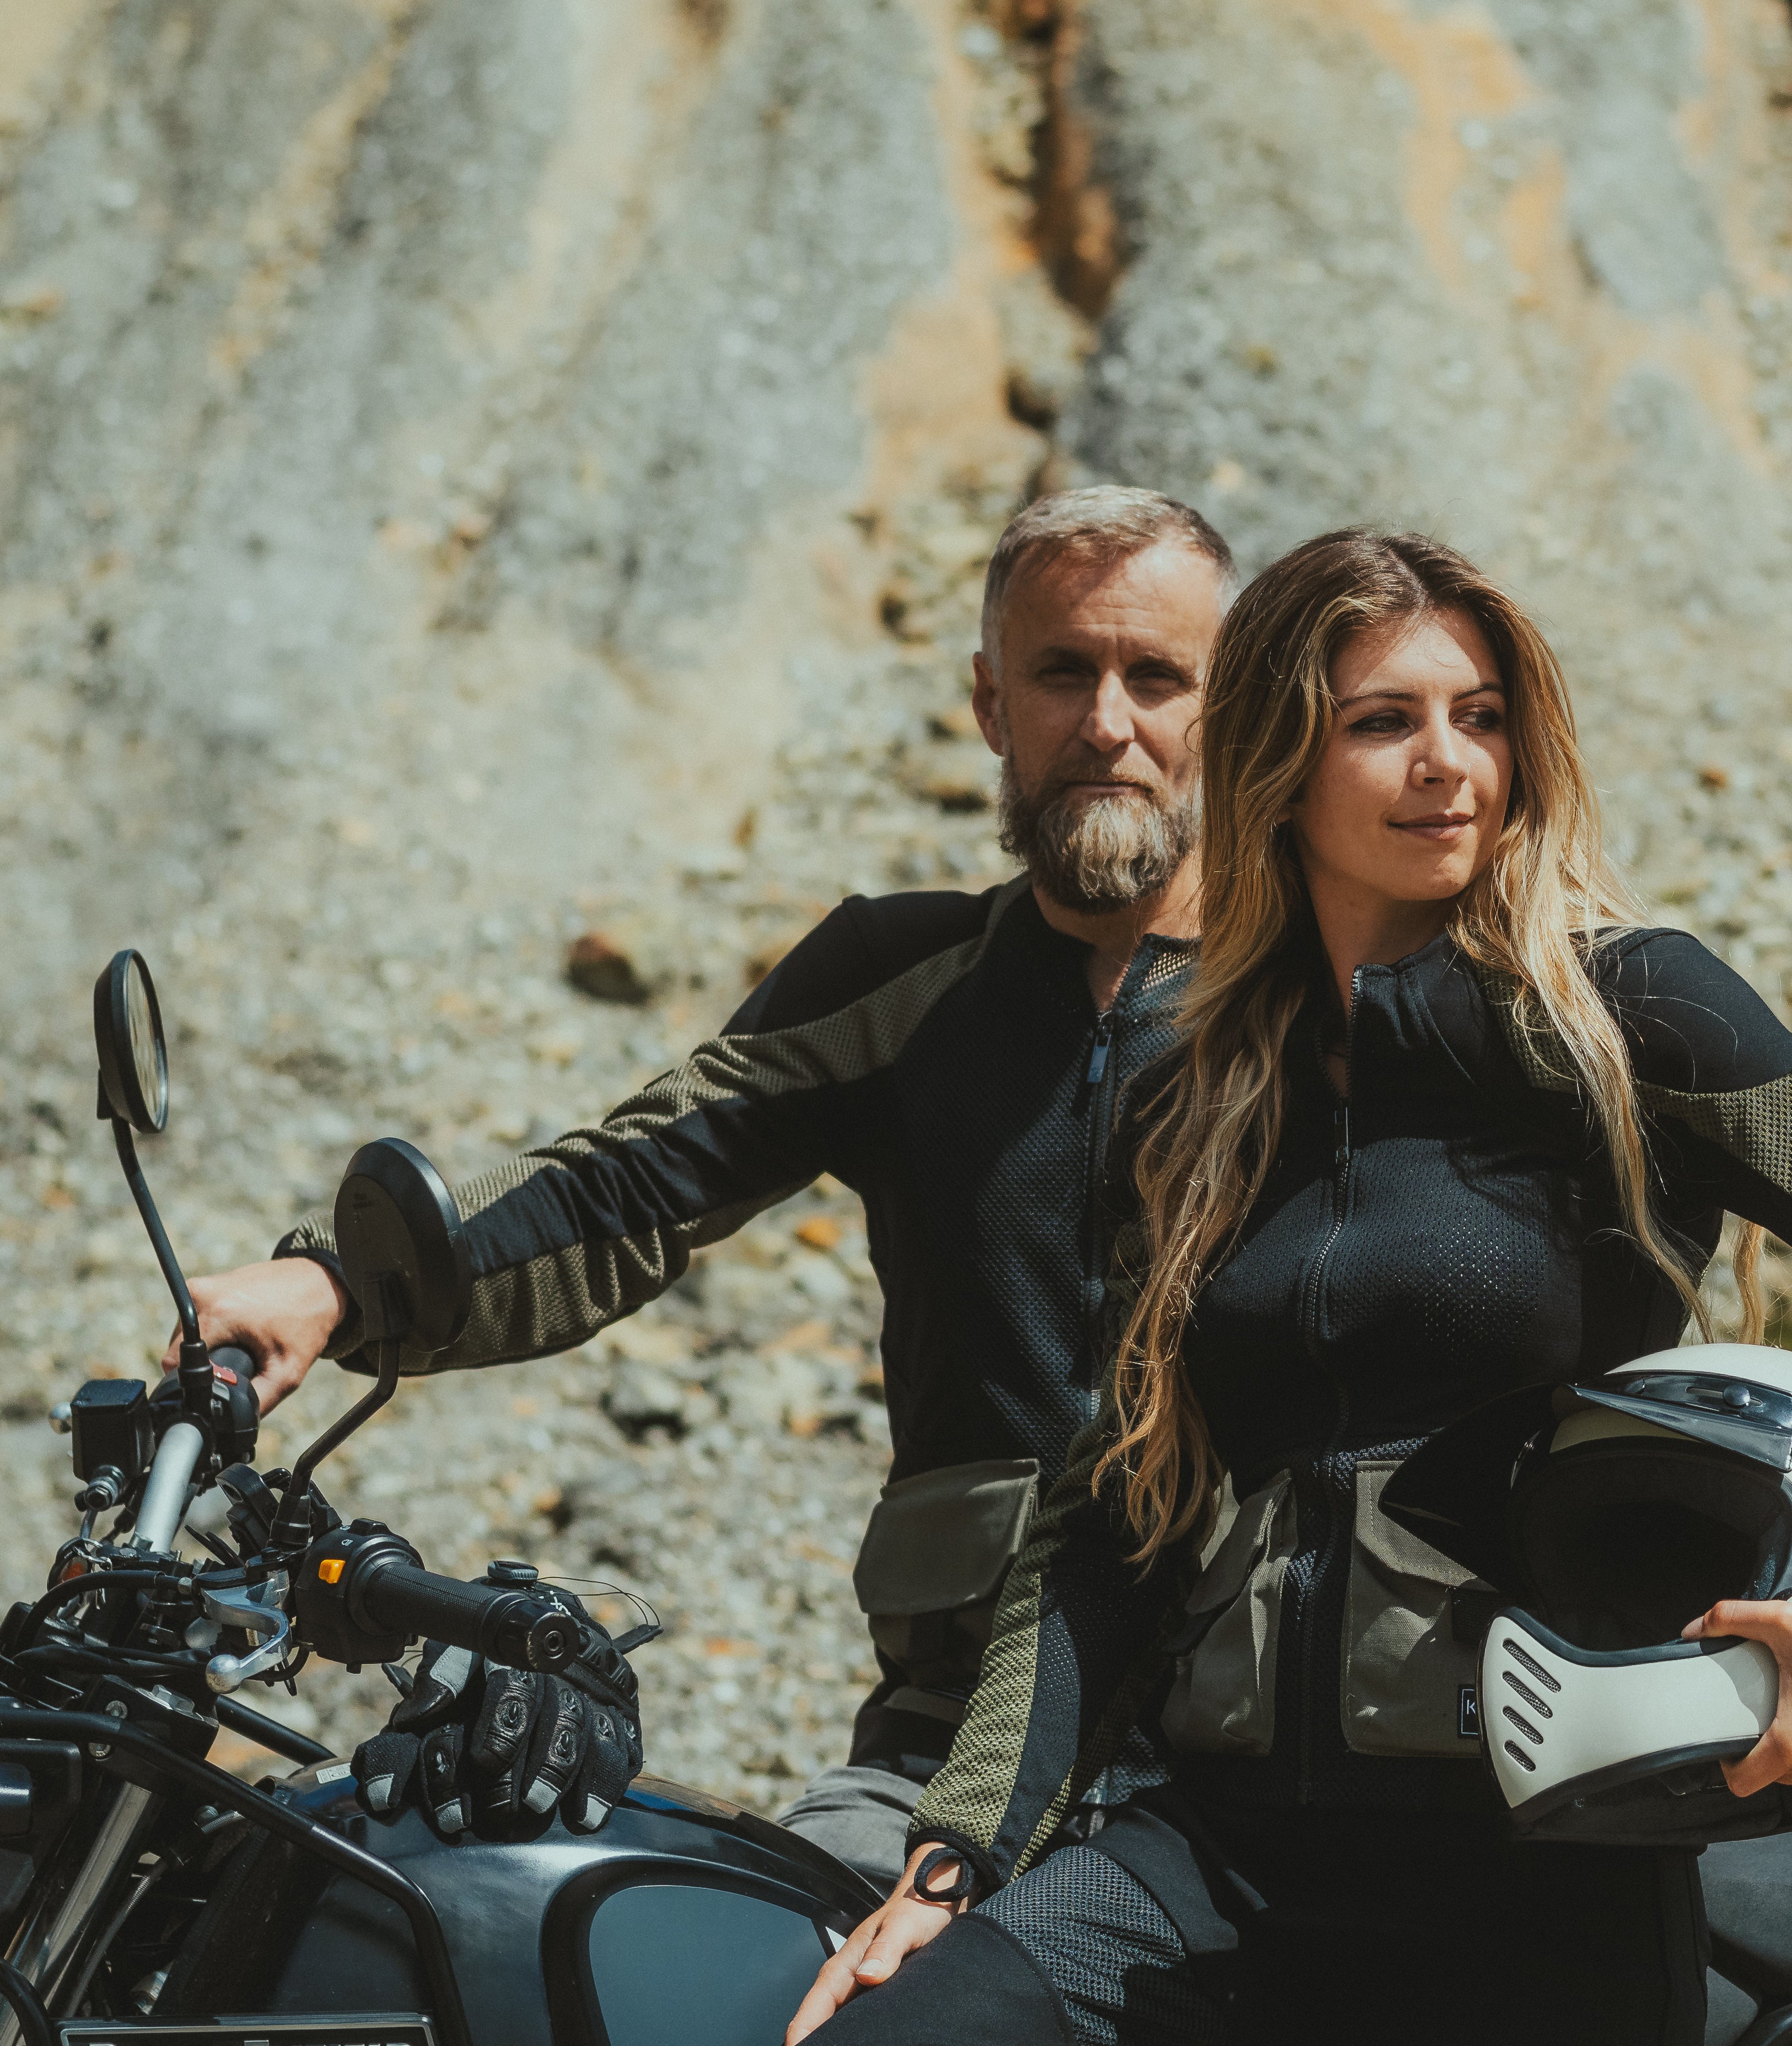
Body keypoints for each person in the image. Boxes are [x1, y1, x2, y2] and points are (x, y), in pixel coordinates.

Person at [784, 530, 1792, 2045]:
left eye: (1480, 717)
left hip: (1540, 1881)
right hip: (1215, 1849)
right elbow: (1113, 1525)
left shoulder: (1622, 1016)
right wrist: (957, 1857)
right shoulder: (1207, 1089)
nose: (1449, 765)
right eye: (1384, 722)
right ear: (1281, 755)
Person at [157, 487, 1236, 1892]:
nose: (1108, 723)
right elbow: (629, 1186)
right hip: (938, 1733)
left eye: (1156, 677)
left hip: (1244, 1743)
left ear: (1232, 710)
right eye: (1060, 672)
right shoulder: (900, 983)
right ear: (988, 703)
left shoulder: (1328, 1003)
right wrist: (344, 1284)